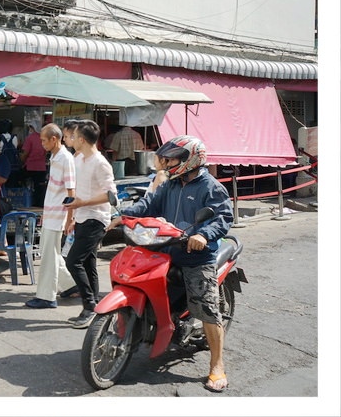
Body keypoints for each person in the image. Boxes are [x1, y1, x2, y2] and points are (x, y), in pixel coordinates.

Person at [108, 135, 233, 393]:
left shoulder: (210, 186)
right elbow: (148, 205)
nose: (166, 162)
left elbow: (223, 217)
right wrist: (124, 216)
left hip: (196, 257)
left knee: (206, 307)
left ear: (190, 160)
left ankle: (217, 364)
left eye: (172, 158)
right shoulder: (171, 184)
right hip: (165, 250)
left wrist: (203, 234)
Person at [62, 119, 117, 328]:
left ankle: (89, 305)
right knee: (87, 263)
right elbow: (78, 191)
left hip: (96, 218)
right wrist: (74, 216)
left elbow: (111, 195)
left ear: (82, 140)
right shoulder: (80, 159)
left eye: (74, 137)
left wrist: (82, 203)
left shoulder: (100, 162)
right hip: (83, 216)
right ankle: (94, 308)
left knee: (73, 261)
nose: (72, 140)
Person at [25, 124, 77, 309]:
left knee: (48, 257)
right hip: (51, 214)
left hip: (58, 215)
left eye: (44, 140)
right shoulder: (55, 157)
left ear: (54, 139)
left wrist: (70, 218)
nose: (42, 144)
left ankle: (47, 296)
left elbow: (71, 191)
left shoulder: (65, 158)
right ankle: (71, 285)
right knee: (51, 254)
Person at [20, 120, 47, 207]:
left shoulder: (30, 138)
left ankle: (28, 204)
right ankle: (39, 206)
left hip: (30, 167)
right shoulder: (44, 138)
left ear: (33, 128)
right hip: (42, 168)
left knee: (25, 185)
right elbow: (46, 152)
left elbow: (25, 153)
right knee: (39, 189)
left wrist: (22, 161)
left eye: (30, 128)